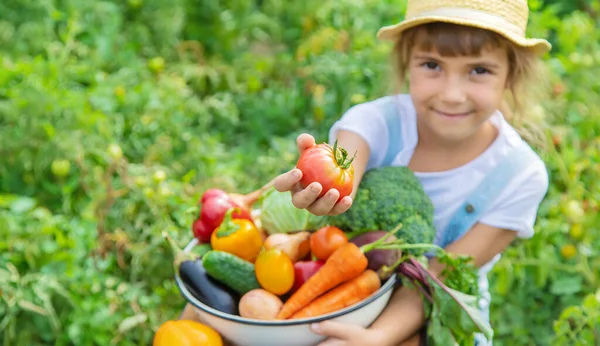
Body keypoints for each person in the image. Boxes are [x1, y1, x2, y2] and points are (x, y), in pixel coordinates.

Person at [272, 0, 551, 345]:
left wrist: (377, 339)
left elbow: (442, 276)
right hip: (341, 286)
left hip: (437, 310)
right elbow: (347, 157)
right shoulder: (376, 122)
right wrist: (328, 188)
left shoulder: (519, 175)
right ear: (407, 64)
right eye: (432, 65)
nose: (452, 95)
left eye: (479, 70)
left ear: (512, 74)